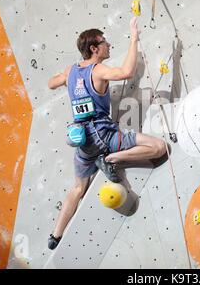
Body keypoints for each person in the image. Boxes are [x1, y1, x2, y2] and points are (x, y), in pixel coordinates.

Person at [46, 17, 167, 250]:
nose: (108, 45)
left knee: (78, 188)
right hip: (104, 136)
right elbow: (126, 72)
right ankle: (111, 159)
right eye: (104, 42)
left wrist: (68, 82)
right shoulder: (98, 69)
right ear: (94, 48)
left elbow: (52, 83)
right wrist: (134, 37)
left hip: (82, 142)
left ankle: (55, 236)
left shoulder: (71, 70)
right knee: (159, 148)